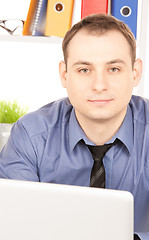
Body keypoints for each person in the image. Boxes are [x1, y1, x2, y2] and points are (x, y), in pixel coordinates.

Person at [0, 13, 148, 239]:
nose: (99, 85)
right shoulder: (30, 135)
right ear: (64, 74)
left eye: (114, 69)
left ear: (135, 73)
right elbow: (14, 228)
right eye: (84, 70)